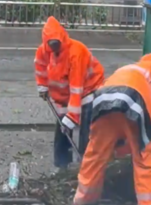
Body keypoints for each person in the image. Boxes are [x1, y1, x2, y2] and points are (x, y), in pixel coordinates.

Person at [73, 54, 151, 205]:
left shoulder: (127, 70)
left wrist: (121, 148)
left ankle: (84, 198)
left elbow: (121, 126)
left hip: (103, 99)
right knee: (147, 153)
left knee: (96, 152)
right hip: (132, 98)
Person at [34, 16, 105, 172]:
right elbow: (40, 66)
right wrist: (42, 85)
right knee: (62, 128)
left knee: (86, 130)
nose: (54, 48)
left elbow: (76, 89)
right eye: (51, 45)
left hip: (88, 89)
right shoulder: (44, 50)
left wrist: (72, 117)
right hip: (62, 96)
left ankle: (87, 166)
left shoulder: (76, 53)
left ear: (62, 38)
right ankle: (62, 164)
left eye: (56, 44)